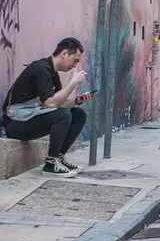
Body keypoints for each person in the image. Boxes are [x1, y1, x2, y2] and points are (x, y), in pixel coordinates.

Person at [1, 38, 93, 177]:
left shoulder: (52, 73)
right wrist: (72, 83)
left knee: (78, 114)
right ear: (65, 53)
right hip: (14, 124)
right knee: (63, 115)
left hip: (29, 118)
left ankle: (59, 157)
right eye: (75, 60)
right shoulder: (41, 69)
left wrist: (77, 101)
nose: (75, 65)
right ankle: (51, 164)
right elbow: (50, 103)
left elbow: (58, 103)